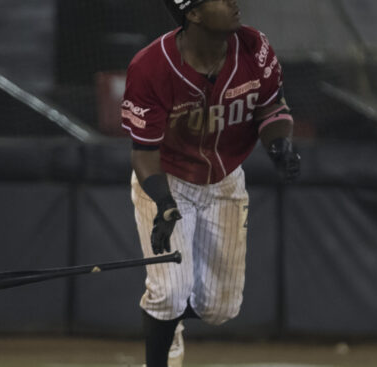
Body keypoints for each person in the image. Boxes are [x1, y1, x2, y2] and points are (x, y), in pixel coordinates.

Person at [120, 1, 300, 366]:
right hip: (167, 180)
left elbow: (271, 107)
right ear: (193, 13)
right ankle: (163, 342)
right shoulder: (150, 66)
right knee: (169, 294)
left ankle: (170, 322)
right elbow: (144, 153)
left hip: (224, 182)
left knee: (220, 308)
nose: (235, 3)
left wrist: (279, 145)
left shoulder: (254, 47)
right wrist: (163, 203)